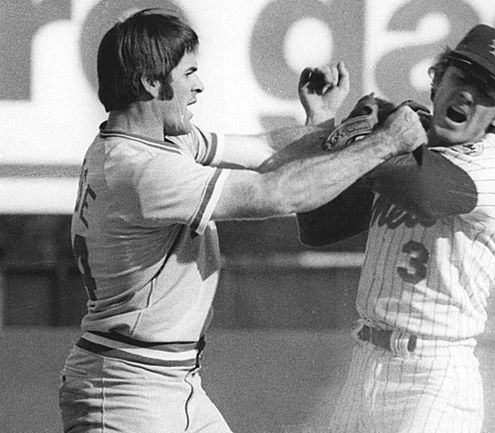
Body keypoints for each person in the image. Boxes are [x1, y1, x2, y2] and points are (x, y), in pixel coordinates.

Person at [58, 8, 426, 433]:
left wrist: (332, 124)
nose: (199, 86)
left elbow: (267, 149)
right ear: (151, 82)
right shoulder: (142, 172)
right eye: (189, 72)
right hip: (126, 392)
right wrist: (383, 144)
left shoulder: (150, 143)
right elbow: (280, 192)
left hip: (164, 381)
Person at [296, 24, 495, 432]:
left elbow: (421, 187)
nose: (468, 95)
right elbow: (320, 225)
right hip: (366, 363)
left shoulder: (491, 167)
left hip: (434, 376)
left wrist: (365, 130)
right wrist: (323, 122)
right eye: (461, 77)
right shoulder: (397, 148)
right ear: (438, 79)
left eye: (487, 93)